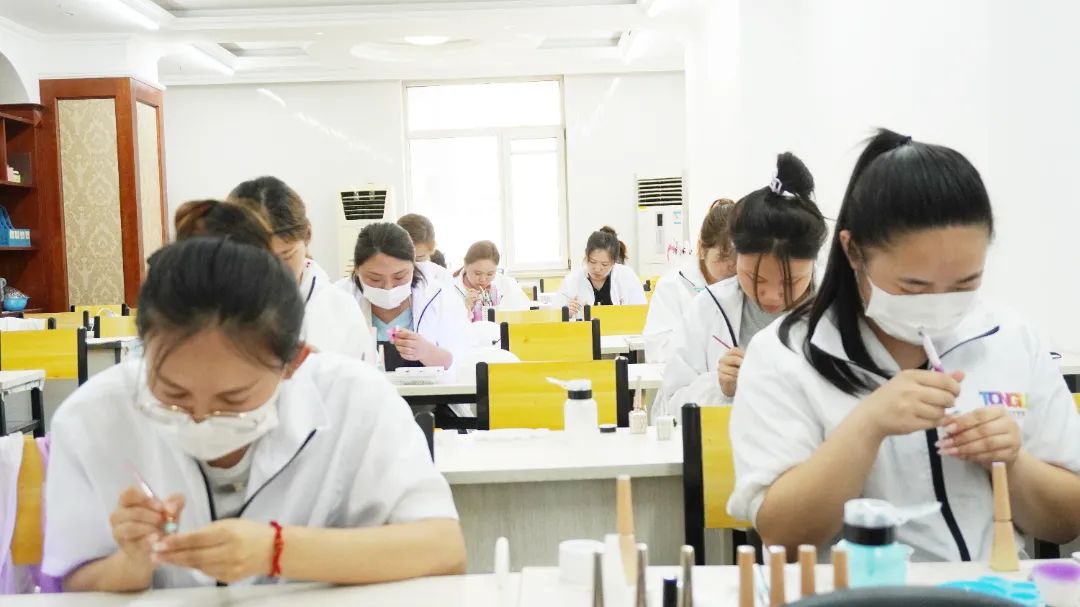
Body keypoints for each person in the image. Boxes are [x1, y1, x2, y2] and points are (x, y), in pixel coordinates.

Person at [728, 130, 1080, 561]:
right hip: (855, 589)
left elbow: (1067, 521)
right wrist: (867, 426)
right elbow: (782, 534)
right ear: (853, 251)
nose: (939, 301)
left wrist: (1012, 463)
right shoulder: (785, 355)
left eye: (964, 283)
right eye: (913, 286)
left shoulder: (1011, 339)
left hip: (992, 586)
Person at [43, 238, 465, 591]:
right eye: (174, 395)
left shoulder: (357, 399)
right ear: (144, 353)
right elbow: (74, 579)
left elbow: (443, 548)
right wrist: (134, 561)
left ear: (294, 361)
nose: (201, 419)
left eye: (233, 398)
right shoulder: (92, 417)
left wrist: (275, 550)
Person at [654, 153, 827, 417]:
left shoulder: (835, 312)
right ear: (737, 258)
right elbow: (668, 408)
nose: (771, 296)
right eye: (756, 279)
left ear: (812, 265)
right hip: (725, 443)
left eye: (790, 282)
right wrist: (719, 388)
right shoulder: (709, 308)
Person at [225, 178, 374, 361]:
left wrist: (321, 371)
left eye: (285, 255)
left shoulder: (341, 311)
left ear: (307, 235)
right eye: (257, 258)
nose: (272, 270)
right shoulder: (213, 310)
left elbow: (363, 377)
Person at [336, 223, 469, 373]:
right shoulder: (338, 298)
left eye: (399, 277)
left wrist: (428, 352)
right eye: (375, 279)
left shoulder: (439, 297)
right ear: (357, 269)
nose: (388, 287)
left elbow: (462, 361)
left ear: (413, 265)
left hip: (429, 388)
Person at [642, 199, 737, 363]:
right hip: (687, 377)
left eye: (738, 257)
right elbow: (658, 352)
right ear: (702, 248)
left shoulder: (747, 286)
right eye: (723, 257)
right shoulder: (672, 286)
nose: (732, 266)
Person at [551, 226, 646, 318]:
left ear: (614, 262)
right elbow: (554, 314)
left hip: (622, 329)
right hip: (585, 329)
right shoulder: (572, 280)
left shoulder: (627, 276)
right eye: (593, 262)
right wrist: (566, 313)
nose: (597, 269)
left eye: (604, 264)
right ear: (586, 256)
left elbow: (641, 312)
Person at [452, 240, 531, 322]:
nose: (483, 279)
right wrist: (465, 309)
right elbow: (449, 324)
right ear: (466, 264)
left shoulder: (505, 283)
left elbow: (524, 314)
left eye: (490, 274)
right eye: (477, 273)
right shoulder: (449, 287)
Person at [396, 213, 455, 286]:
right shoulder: (385, 273)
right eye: (404, 257)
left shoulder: (442, 277)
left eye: (419, 258)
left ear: (431, 251)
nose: (411, 266)